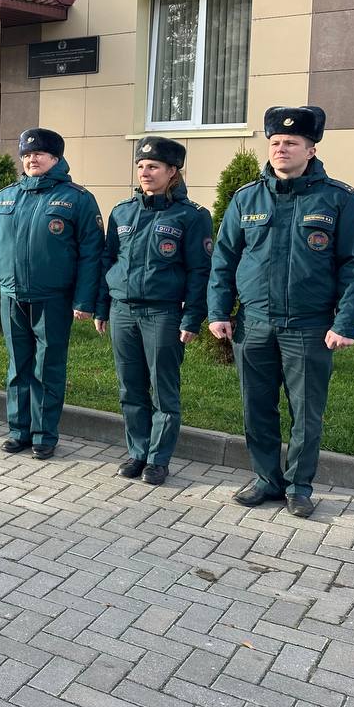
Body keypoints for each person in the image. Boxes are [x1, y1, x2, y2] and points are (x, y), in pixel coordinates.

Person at [208, 106, 354, 518]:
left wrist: (346, 322)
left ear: (311, 149)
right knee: (257, 408)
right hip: (254, 324)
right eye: (275, 142)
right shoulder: (247, 198)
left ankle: (299, 486)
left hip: (309, 325)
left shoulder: (339, 199)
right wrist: (218, 311)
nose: (281, 149)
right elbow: (224, 259)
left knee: (306, 412)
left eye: (291, 142)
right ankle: (266, 480)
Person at [0, 128, 104, 459]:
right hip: (11, 296)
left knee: (47, 368)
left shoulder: (77, 199)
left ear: (56, 159)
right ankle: (18, 430)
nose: (32, 159)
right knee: (18, 366)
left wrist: (84, 301)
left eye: (39, 154)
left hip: (53, 299)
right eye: (27, 154)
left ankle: (44, 434)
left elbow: (92, 254)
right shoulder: (6, 197)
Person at [95, 136, 211, 485]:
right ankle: (138, 452)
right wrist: (102, 307)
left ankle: (159, 459)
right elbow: (108, 260)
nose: (145, 172)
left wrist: (192, 317)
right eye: (141, 166)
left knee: (163, 390)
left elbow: (200, 271)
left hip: (163, 314)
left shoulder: (192, 216)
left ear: (173, 171)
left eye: (154, 167)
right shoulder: (122, 211)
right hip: (123, 311)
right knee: (130, 388)